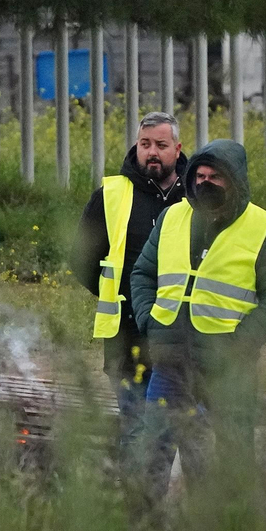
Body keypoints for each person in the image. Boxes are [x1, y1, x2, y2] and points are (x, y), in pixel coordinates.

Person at [130, 139, 266, 501]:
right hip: (170, 364)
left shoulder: (265, 229)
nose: (205, 183)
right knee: (152, 454)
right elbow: (142, 273)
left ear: (235, 181)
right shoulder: (173, 217)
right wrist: (149, 320)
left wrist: (243, 341)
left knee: (233, 457)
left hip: (227, 368)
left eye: (215, 177)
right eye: (199, 176)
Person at [74, 111, 187, 462]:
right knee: (134, 428)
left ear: (178, 148)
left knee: (168, 430)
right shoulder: (111, 194)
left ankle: (151, 506)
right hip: (126, 339)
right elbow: (82, 259)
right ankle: (134, 507)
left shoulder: (196, 192)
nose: (152, 152)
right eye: (145, 144)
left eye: (161, 145)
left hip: (180, 337)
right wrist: (117, 293)